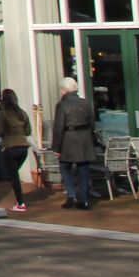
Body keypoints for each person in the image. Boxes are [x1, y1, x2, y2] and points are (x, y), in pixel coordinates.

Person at [50, 76, 99, 210]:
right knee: (84, 169)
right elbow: (92, 123)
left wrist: (56, 147)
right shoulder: (85, 103)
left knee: (65, 167)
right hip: (84, 139)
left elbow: (58, 127)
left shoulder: (61, 105)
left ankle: (71, 195)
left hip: (68, 140)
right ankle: (84, 198)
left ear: (64, 90)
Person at [0, 88, 33, 212]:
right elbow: (28, 131)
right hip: (23, 148)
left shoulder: (2, 113)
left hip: (10, 147)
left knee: (13, 175)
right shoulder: (23, 113)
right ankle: (19, 201)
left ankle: (20, 203)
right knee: (14, 173)